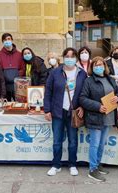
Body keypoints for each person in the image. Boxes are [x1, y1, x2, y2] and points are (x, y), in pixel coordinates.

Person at [44, 47, 87, 176]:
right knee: (57, 140)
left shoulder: (82, 73)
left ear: (76, 59)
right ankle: (56, 164)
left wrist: (82, 107)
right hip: (58, 111)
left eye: (72, 56)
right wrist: (47, 110)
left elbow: (85, 93)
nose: (69, 59)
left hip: (73, 112)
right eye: (67, 56)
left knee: (73, 140)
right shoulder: (55, 72)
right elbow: (48, 92)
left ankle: (72, 164)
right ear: (63, 58)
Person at [79, 56, 118, 182]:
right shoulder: (89, 81)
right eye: (96, 65)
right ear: (92, 67)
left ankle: (97, 164)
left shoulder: (110, 79)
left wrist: (117, 97)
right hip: (95, 117)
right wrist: (98, 106)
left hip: (108, 117)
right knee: (95, 144)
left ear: (104, 66)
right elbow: (83, 98)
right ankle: (92, 169)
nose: (98, 67)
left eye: (101, 64)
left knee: (102, 144)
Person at [0, 33, 24, 100]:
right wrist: (4, 77)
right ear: (2, 42)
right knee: (5, 106)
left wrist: (16, 77)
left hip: (17, 85)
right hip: (4, 85)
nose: (7, 41)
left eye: (9, 39)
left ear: (12, 40)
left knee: (18, 105)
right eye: (5, 40)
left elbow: (22, 68)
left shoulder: (19, 54)